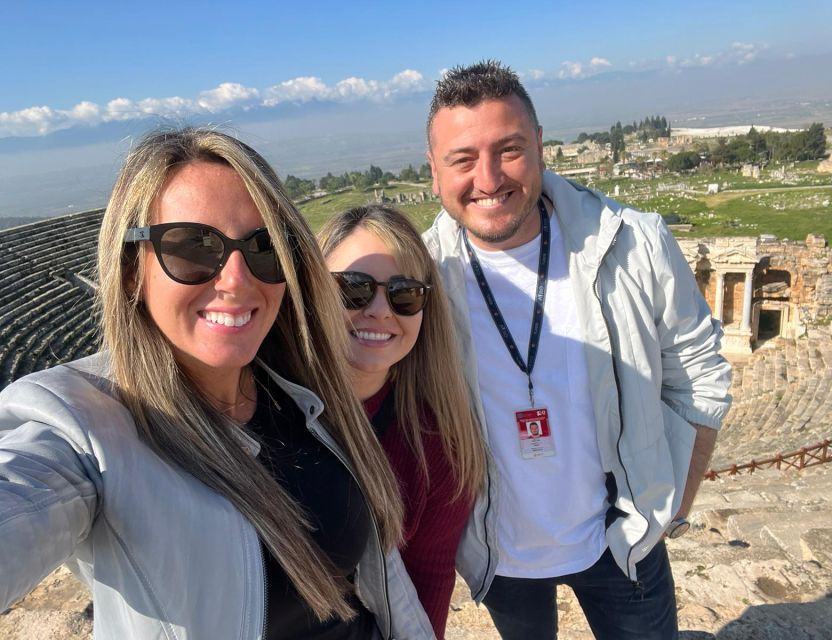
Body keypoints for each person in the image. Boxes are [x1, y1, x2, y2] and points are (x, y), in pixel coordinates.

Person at [0, 127, 435, 639]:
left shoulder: (303, 390)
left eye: (264, 246)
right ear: (131, 270)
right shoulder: (84, 426)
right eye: (193, 247)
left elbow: (379, 579)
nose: (236, 278)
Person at [422, 61, 733, 639]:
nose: (487, 178)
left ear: (540, 147)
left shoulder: (633, 242)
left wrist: (674, 510)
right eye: (463, 159)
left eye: (508, 149)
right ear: (434, 172)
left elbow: (699, 374)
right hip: (498, 555)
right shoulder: (418, 279)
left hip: (624, 540)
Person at [318, 205, 486, 639]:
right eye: (353, 289)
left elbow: (429, 575)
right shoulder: (261, 403)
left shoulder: (436, 441)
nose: (380, 310)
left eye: (404, 294)